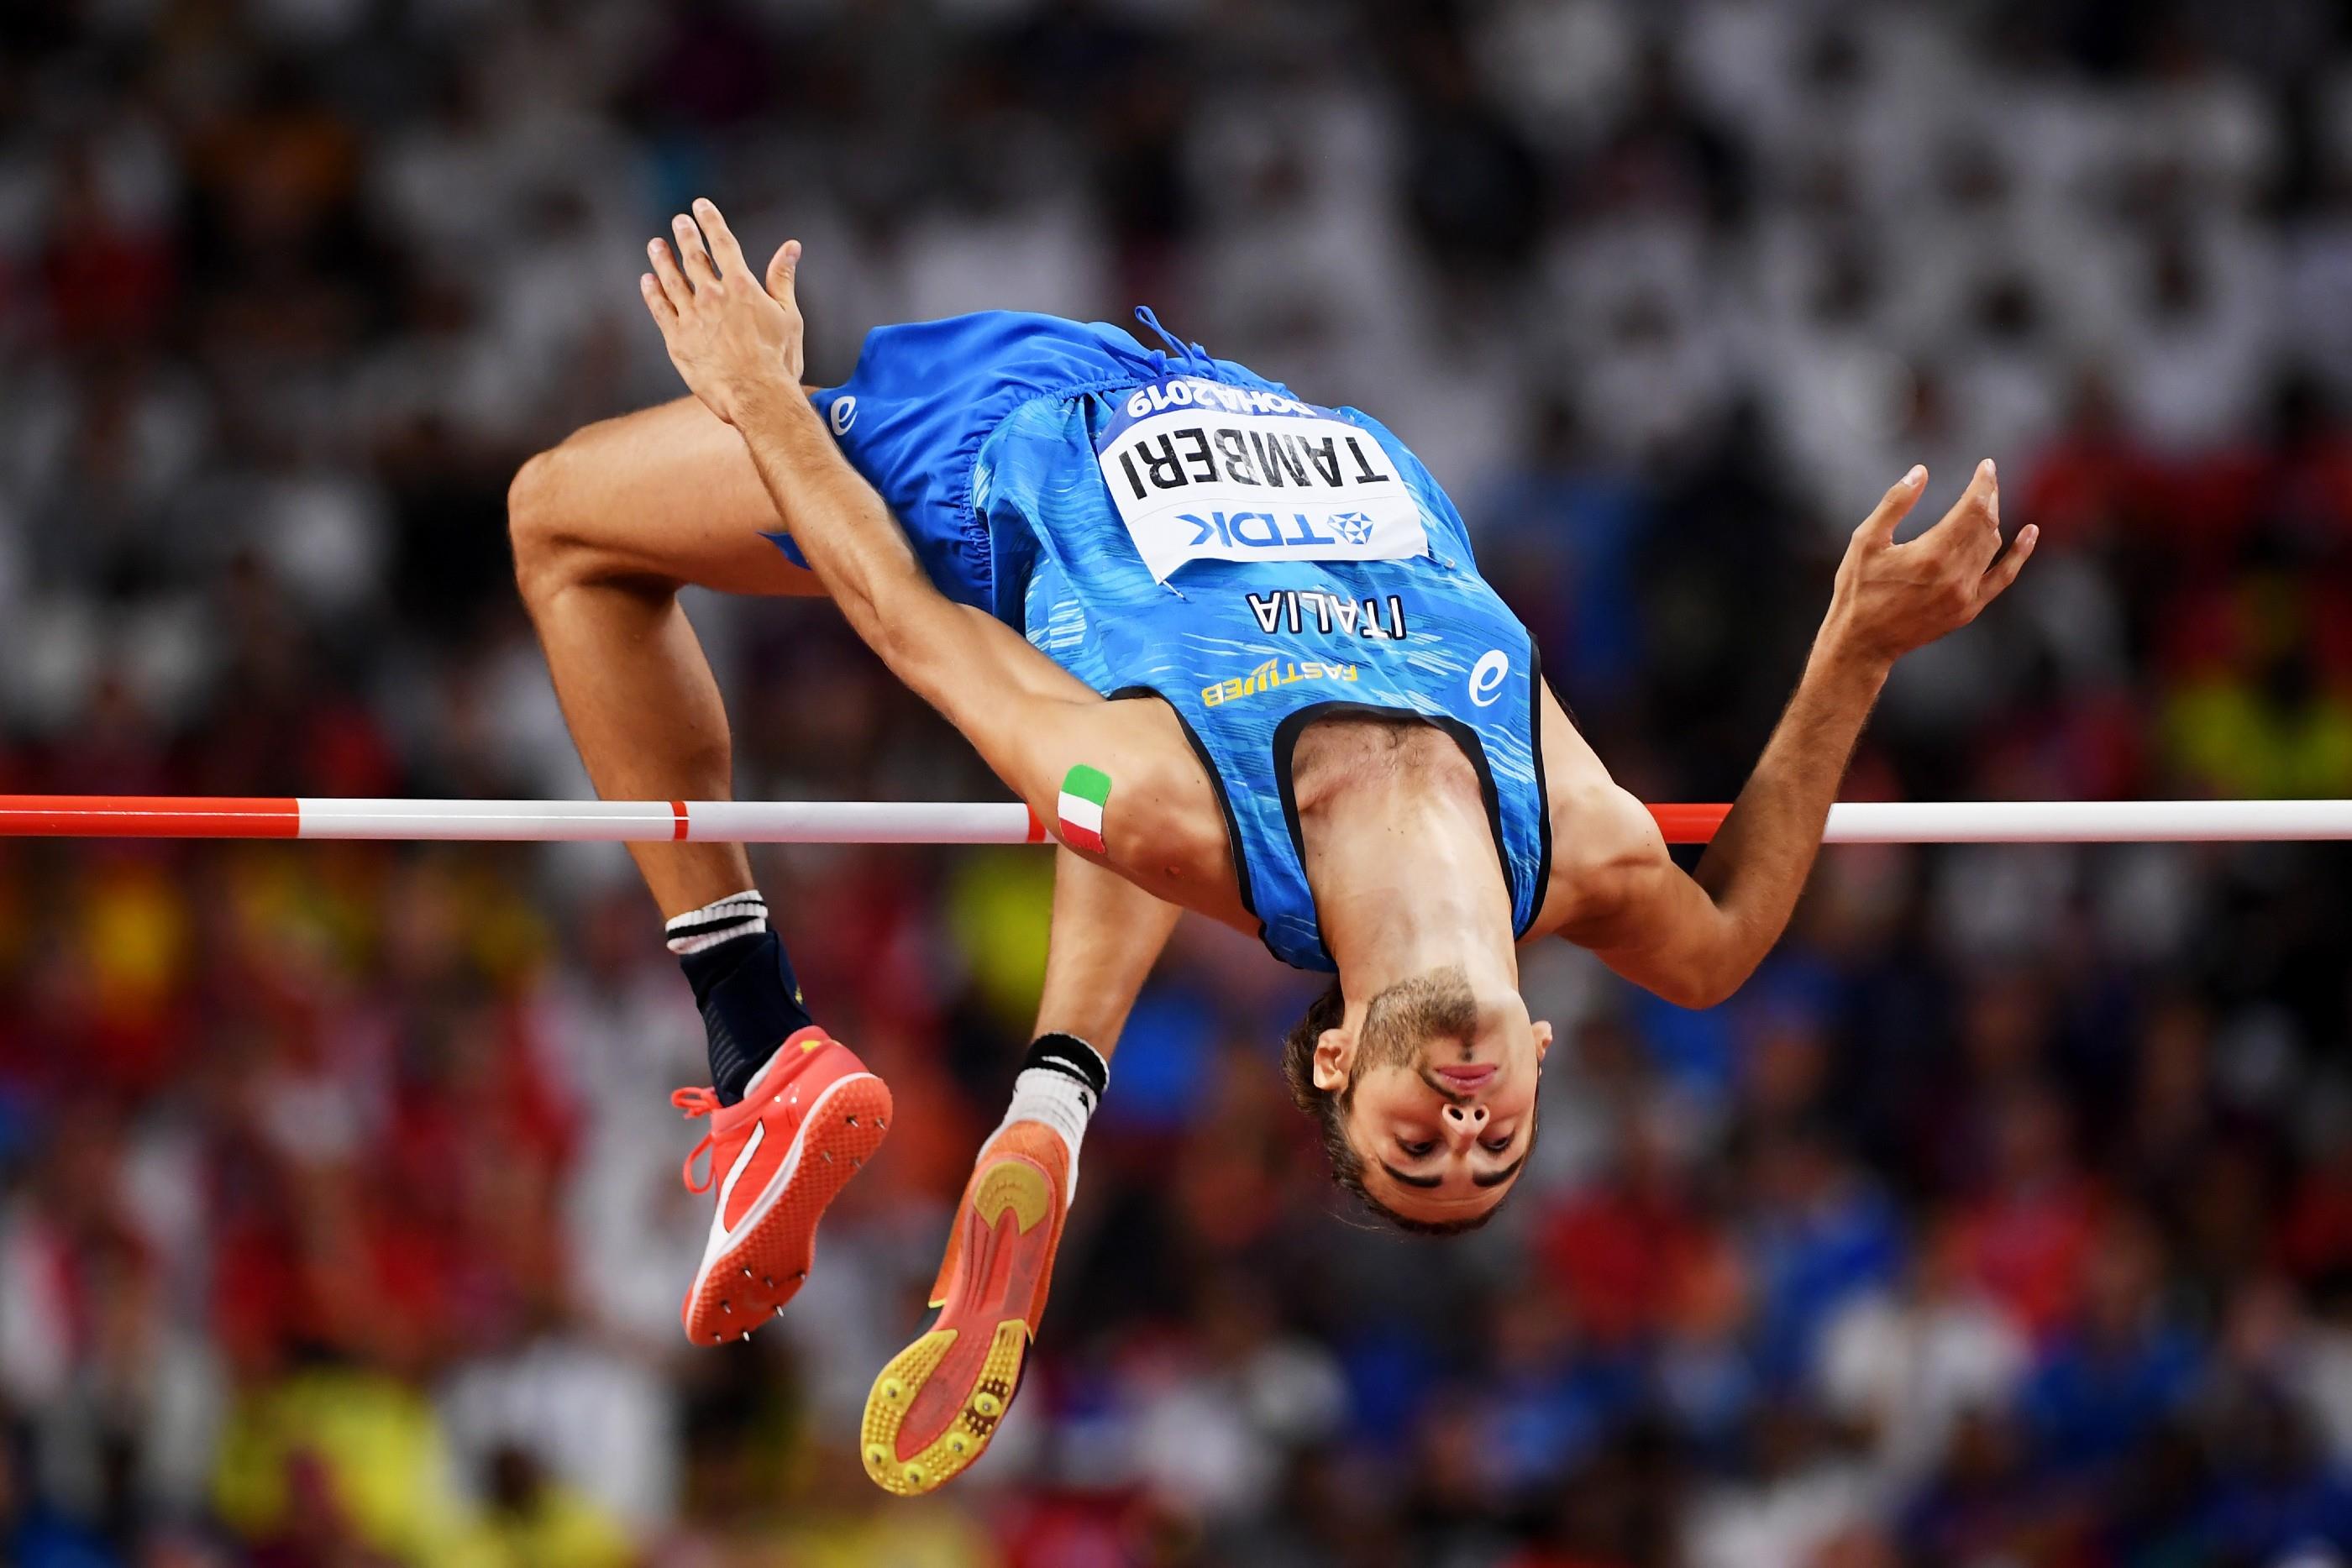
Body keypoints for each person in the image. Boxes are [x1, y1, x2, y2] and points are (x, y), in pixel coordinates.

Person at [508, 197, 2035, 1496]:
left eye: (1417, 1149)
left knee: (560, 522)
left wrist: (764, 401)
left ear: (1338, 1063)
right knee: (1148, 810)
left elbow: (912, 630)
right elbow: (1729, 940)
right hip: (1257, 419)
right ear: (1538, 1054)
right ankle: (1055, 1096)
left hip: (1008, 447)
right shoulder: (1582, 847)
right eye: (1494, 1149)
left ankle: (761, 1040)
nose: (1464, 1128)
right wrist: (1855, 648)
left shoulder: (1170, 806)